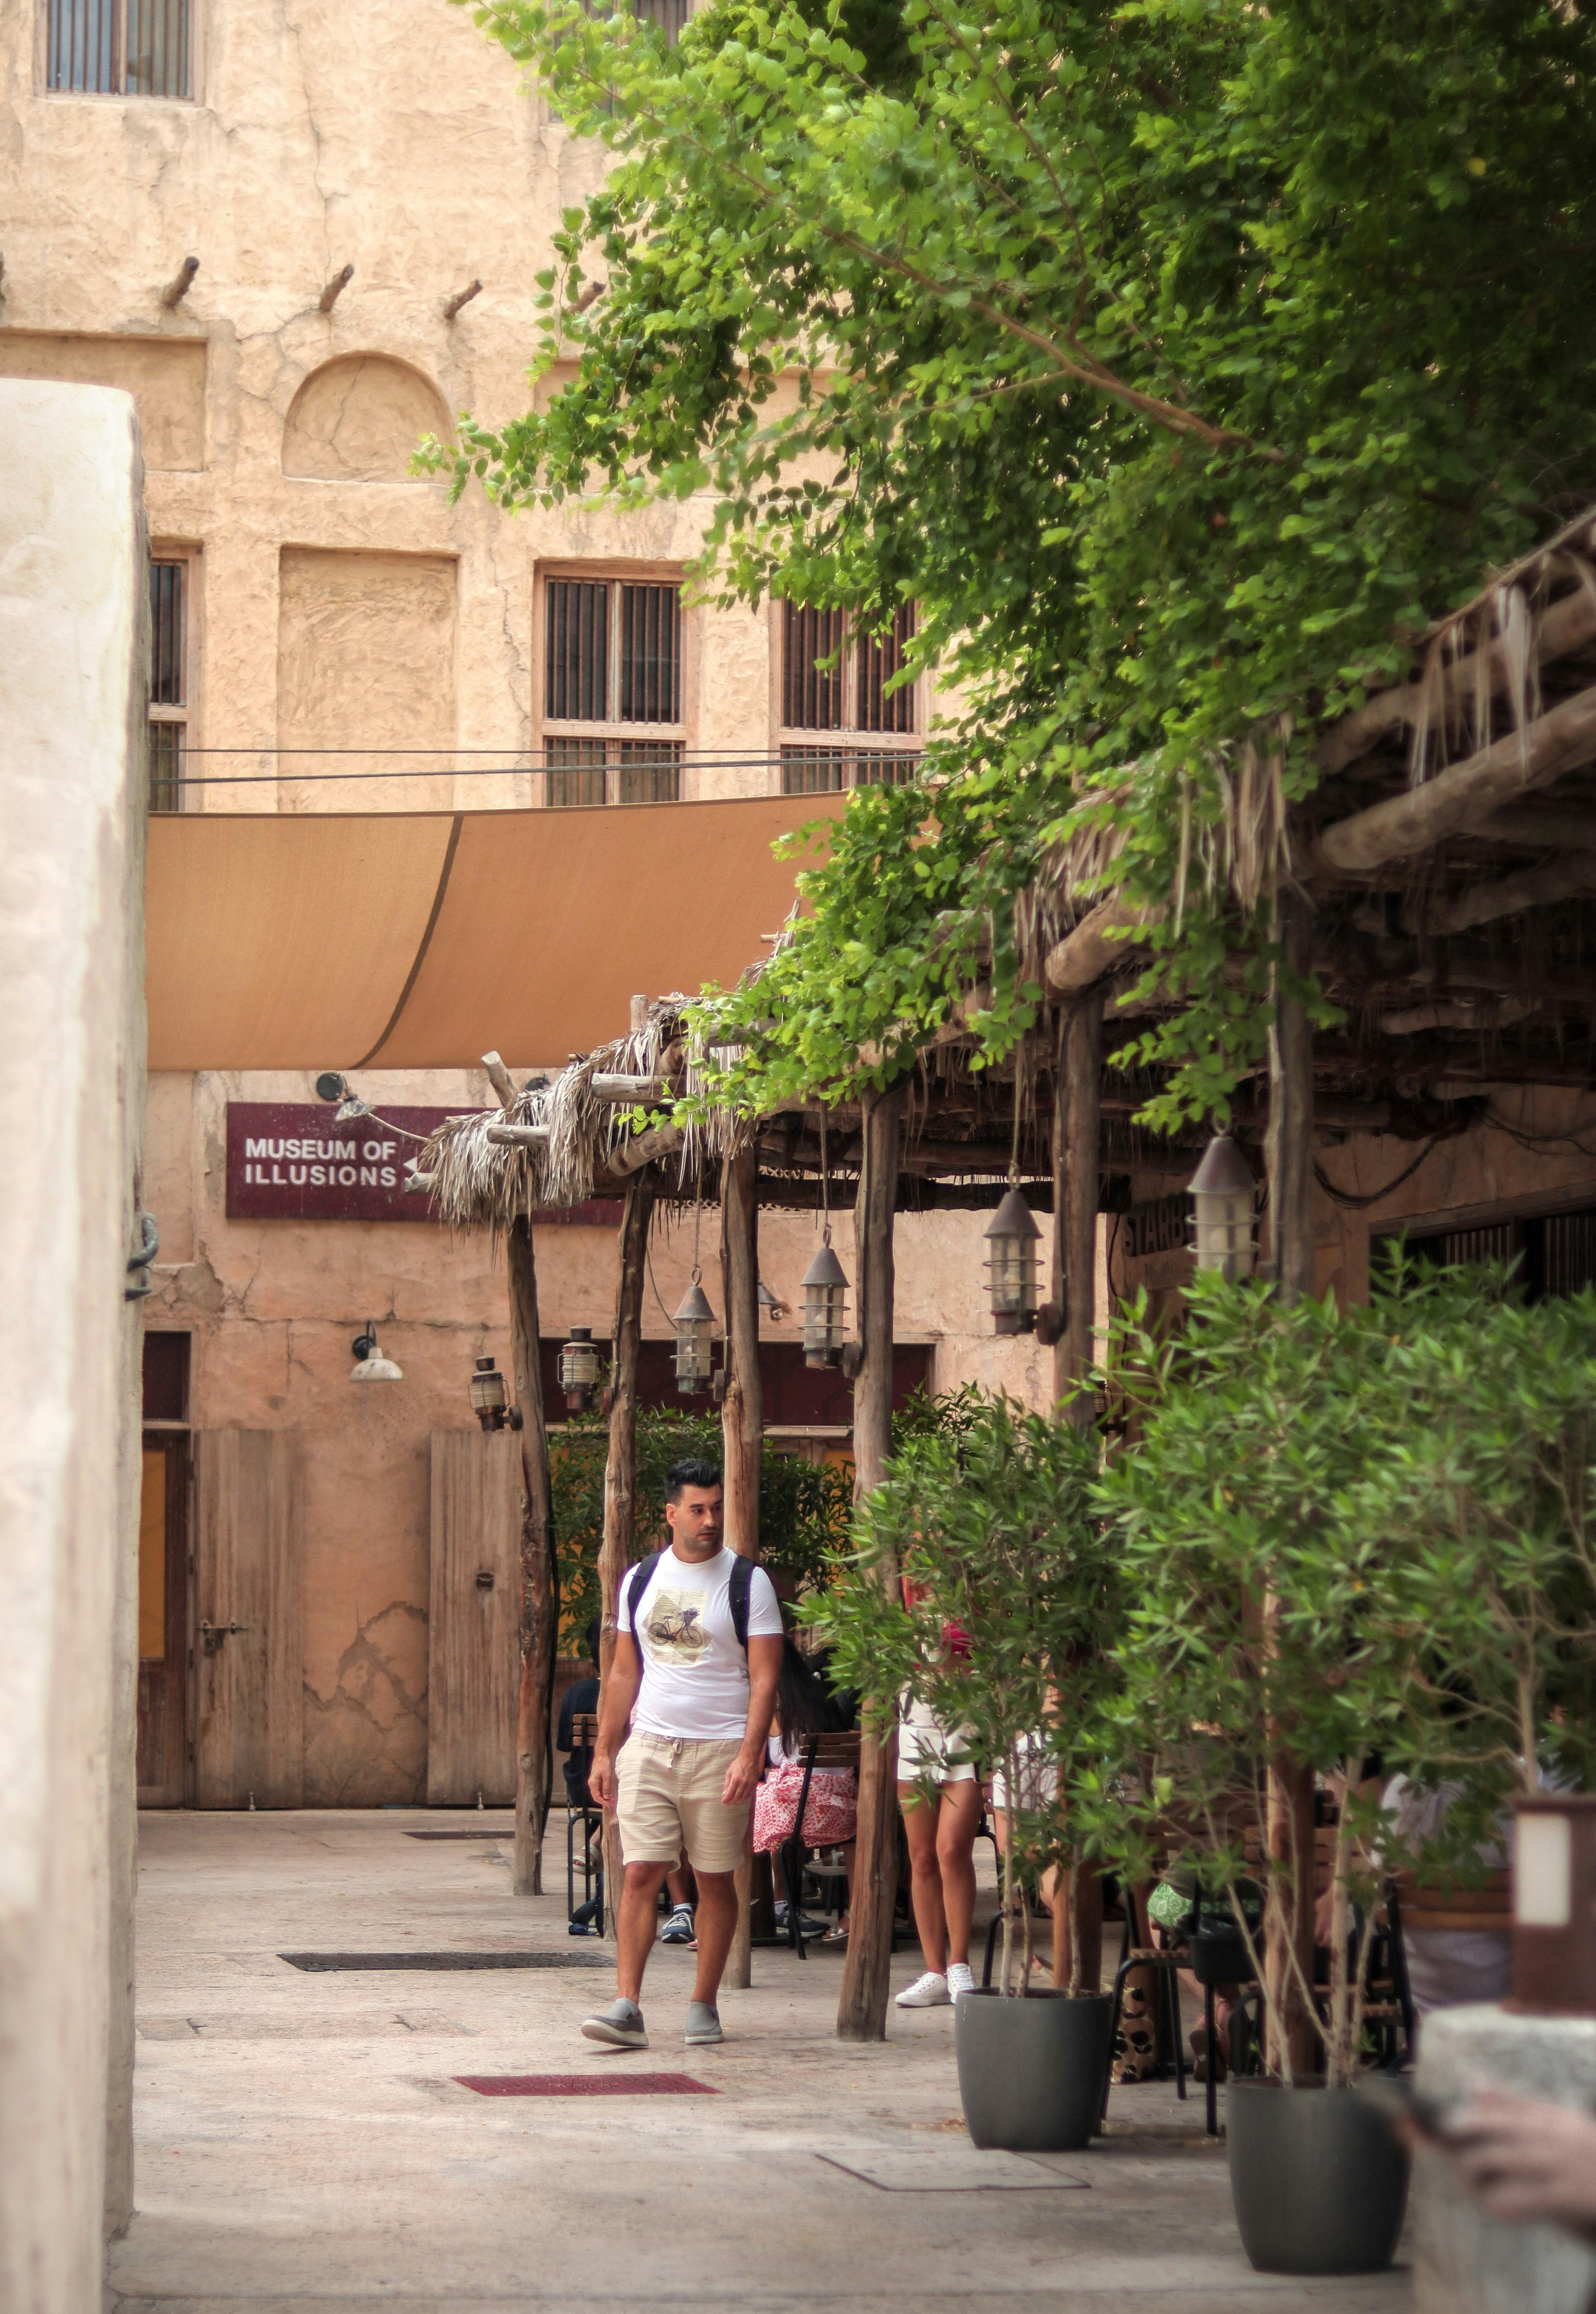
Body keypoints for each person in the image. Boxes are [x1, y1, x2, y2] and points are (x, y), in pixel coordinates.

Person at [582, 1458, 782, 2051]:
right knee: (641, 1871)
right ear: (670, 1514)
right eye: (697, 1509)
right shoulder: (639, 1579)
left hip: (720, 1746)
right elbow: (622, 1672)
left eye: (716, 1508)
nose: (709, 1520)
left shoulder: (748, 1582)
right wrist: (603, 1750)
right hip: (649, 1745)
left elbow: (765, 1678)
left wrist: (751, 1754)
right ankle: (627, 2006)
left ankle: (702, 2003)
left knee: (715, 1880)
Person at [895, 1610, 980, 2007]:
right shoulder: (901, 1588)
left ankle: (959, 1962)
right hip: (915, 1718)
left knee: (951, 1849)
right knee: (922, 1855)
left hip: (966, 1718)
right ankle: (934, 1971)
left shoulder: (972, 1584)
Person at [753, 1637, 857, 1939]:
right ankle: (850, 1909)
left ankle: (780, 1903)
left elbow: (759, 1763)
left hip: (798, 1815)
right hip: (843, 1814)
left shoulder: (771, 1705)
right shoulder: (823, 1698)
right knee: (789, 1803)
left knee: (770, 1801)